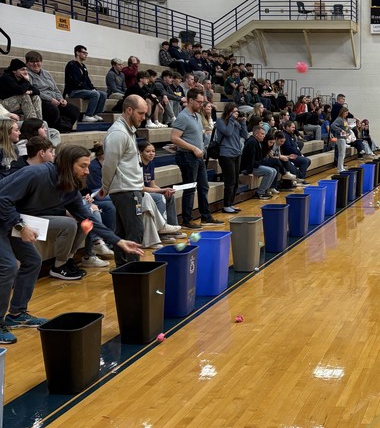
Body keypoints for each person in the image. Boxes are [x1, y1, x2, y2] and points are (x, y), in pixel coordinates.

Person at [0, 145, 144, 342]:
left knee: (32, 261)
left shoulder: (69, 187)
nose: (87, 170)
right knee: (8, 267)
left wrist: (118, 241)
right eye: (83, 166)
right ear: (68, 165)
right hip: (5, 218)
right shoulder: (35, 173)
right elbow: (3, 199)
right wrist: (20, 225)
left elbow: (86, 220)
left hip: (13, 221)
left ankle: (16, 315)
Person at [99, 93, 148, 264]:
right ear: (129, 110)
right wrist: (105, 186)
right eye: (141, 113)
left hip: (128, 189)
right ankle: (133, 269)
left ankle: (123, 269)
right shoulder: (118, 133)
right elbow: (109, 164)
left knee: (121, 233)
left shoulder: (128, 130)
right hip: (126, 190)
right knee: (135, 232)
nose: (143, 117)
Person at [171, 87, 223, 228]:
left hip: (198, 156)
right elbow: (174, 138)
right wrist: (193, 148)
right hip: (187, 156)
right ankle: (187, 220)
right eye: (199, 102)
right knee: (190, 187)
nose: (201, 105)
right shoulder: (183, 117)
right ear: (191, 100)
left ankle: (205, 216)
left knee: (203, 186)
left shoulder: (197, 116)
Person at [25, 51, 80, 131]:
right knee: (53, 110)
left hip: (55, 100)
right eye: (32, 62)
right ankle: (52, 129)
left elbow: (55, 89)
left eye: (38, 61)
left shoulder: (46, 73)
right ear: (27, 63)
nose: (35, 64)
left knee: (74, 110)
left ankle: (64, 128)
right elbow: (34, 91)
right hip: (41, 100)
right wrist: (50, 99)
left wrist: (61, 99)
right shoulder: (27, 74)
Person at [216, 102, 249, 213]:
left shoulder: (236, 122)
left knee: (235, 181)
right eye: (234, 111)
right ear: (228, 112)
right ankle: (226, 205)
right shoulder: (221, 122)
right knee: (229, 181)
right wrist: (231, 120)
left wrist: (243, 122)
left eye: (237, 111)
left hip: (236, 153)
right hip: (225, 155)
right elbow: (228, 132)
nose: (236, 113)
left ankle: (231, 203)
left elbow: (245, 135)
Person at [64, 45, 107, 122]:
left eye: (86, 53)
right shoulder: (71, 65)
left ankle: (95, 114)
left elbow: (87, 81)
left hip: (83, 90)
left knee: (103, 94)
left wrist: (93, 88)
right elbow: (76, 82)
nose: (86, 54)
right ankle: (88, 115)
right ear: (77, 53)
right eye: (84, 52)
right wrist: (91, 90)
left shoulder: (83, 66)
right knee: (95, 94)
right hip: (74, 91)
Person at [240, 125, 280, 197]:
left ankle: (265, 190)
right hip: (248, 167)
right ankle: (260, 192)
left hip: (255, 165)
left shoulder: (257, 142)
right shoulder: (252, 142)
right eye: (262, 134)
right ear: (256, 133)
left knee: (274, 171)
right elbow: (250, 159)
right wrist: (249, 172)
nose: (264, 136)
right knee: (270, 171)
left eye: (264, 134)